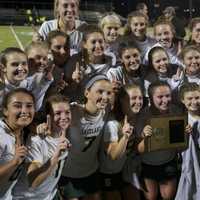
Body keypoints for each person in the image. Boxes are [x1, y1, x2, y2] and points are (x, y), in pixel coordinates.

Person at [59, 74, 112, 200]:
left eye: (108, 93)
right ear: (87, 93)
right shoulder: (72, 110)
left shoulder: (106, 110)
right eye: (100, 92)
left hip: (91, 171)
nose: (105, 97)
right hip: (68, 174)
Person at [12, 94, 71, 200]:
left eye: (67, 112)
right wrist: (56, 157)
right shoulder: (37, 140)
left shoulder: (63, 132)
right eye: (57, 113)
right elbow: (33, 182)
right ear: (49, 116)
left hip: (48, 195)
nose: (64, 117)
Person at [139, 81, 191, 200]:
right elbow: (139, 149)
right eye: (160, 97)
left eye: (168, 95)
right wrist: (144, 136)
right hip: (148, 164)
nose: (165, 100)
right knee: (151, 197)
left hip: (168, 161)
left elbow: (181, 148)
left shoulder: (177, 112)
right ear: (151, 98)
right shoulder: (143, 115)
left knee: (168, 197)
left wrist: (185, 135)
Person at [99, 84, 151, 200]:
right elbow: (114, 155)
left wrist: (143, 136)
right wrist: (125, 137)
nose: (138, 102)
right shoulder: (112, 124)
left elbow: (135, 148)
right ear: (122, 100)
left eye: (140, 98)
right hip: (109, 174)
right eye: (133, 98)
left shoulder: (136, 118)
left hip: (125, 171)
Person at [0, 88, 35, 200]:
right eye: (17, 106)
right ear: (5, 110)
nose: (24, 111)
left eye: (29, 106)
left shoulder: (22, 131)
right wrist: (13, 163)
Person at [0, 47, 53, 111]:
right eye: (14, 64)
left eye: (24, 64)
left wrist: (45, 82)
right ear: (3, 67)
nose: (20, 68)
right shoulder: (2, 88)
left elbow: (34, 107)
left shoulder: (27, 83)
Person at [175, 83, 200, 200]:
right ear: (182, 100)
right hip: (191, 166)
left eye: (197, 98)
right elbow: (178, 150)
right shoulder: (180, 122)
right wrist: (184, 136)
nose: (194, 102)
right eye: (190, 99)